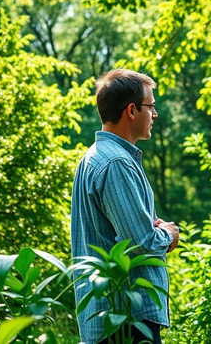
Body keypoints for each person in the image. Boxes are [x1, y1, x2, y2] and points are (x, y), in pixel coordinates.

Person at [70, 69, 180, 344]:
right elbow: (141, 240)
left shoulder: (94, 157)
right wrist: (169, 234)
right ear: (132, 110)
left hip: (107, 315)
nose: (155, 114)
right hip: (125, 317)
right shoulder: (116, 163)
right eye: (151, 106)